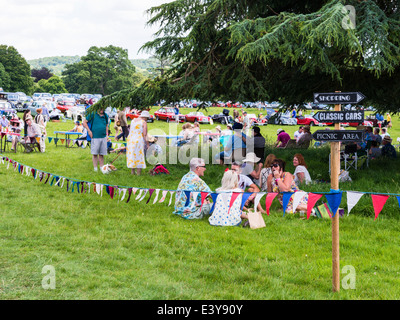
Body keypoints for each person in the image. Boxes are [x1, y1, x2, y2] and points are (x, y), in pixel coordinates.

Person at [83, 107, 109, 172]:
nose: (101, 110)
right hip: (95, 136)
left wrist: (107, 135)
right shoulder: (93, 114)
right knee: (95, 153)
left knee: (102, 153)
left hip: (103, 136)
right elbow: (84, 122)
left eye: (103, 109)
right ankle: (95, 168)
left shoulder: (105, 115)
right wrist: (89, 131)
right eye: (100, 108)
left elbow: (106, 125)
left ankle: (102, 168)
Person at [126, 110, 149, 175]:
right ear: (145, 117)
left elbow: (130, 130)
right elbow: (145, 134)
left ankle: (132, 172)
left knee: (132, 155)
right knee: (139, 155)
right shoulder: (143, 122)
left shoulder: (133, 120)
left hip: (130, 139)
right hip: (138, 139)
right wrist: (147, 144)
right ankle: (138, 173)